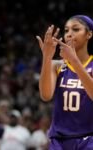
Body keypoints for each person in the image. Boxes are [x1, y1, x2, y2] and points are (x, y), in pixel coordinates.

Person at [36, 15, 93, 150]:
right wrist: (47, 57)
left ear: (89, 34)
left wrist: (74, 62)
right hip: (59, 140)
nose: (69, 34)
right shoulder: (56, 65)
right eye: (66, 30)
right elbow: (45, 95)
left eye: (75, 29)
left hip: (89, 139)